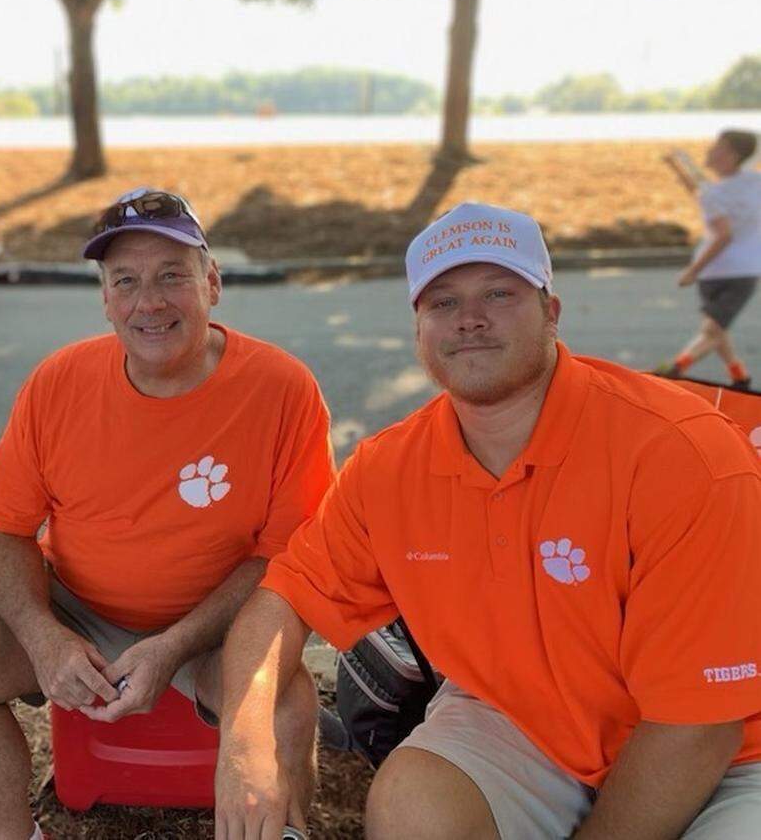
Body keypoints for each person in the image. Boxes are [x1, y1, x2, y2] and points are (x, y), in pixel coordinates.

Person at [216, 201, 761, 839]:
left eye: (498, 293)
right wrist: (245, 745)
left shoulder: (683, 453)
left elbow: (699, 724)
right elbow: (283, 599)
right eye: (441, 302)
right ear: (419, 329)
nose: (469, 319)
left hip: (729, 754)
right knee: (414, 806)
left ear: (551, 312)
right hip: (524, 720)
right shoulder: (389, 469)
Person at [0, 187, 335, 840]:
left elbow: (282, 557)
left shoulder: (284, 389)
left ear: (212, 282)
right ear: (105, 299)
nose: (149, 301)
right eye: (126, 281)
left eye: (172, 276)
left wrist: (174, 644)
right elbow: (1, 532)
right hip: (74, 603)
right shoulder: (59, 382)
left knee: (288, 700)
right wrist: (45, 639)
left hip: (217, 625)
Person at [661, 129, 761, 389]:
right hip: (726, 273)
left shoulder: (719, 192)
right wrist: (677, 167)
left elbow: (723, 235)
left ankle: (675, 368)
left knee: (712, 330)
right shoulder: (749, 184)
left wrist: (693, 270)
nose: (710, 150)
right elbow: (699, 190)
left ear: (731, 155)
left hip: (732, 272)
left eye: (718, 146)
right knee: (717, 329)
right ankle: (739, 376)